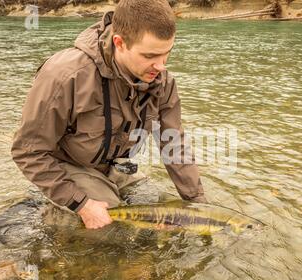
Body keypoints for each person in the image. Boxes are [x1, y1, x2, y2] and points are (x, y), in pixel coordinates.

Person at [11, 0, 206, 230]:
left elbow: (173, 146)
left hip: (115, 167)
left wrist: (198, 205)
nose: (161, 66)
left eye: (167, 53)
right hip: (66, 164)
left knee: (166, 212)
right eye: (150, 56)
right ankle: (50, 211)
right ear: (119, 43)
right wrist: (81, 204)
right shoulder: (64, 75)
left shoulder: (162, 82)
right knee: (115, 230)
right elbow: (27, 151)